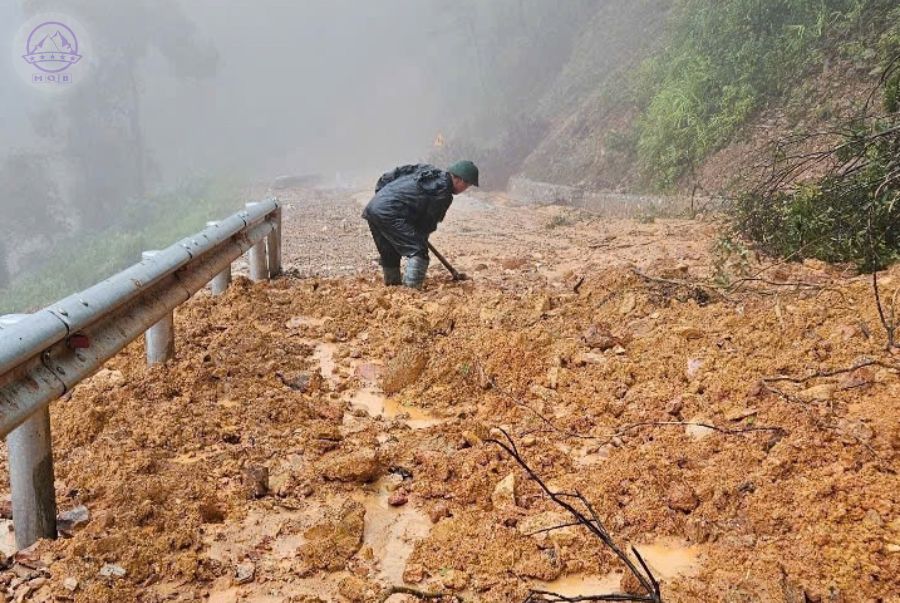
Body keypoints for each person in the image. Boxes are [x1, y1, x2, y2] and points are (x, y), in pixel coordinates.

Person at [362, 160, 479, 289]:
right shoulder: (443, 192)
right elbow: (428, 222)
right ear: (460, 180)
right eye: (467, 186)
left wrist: (382, 198)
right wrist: (420, 240)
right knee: (419, 250)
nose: (465, 189)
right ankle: (410, 292)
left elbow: (390, 176)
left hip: (374, 208)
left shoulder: (427, 170)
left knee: (389, 253)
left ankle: (392, 287)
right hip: (392, 214)